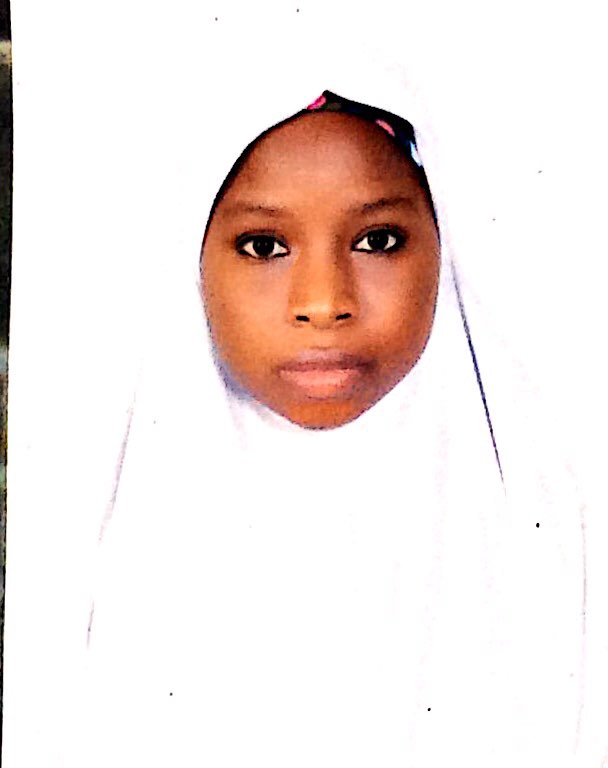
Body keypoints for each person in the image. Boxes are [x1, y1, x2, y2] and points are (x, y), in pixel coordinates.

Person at [66, 44, 596, 762]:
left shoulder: (547, 522)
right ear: (192, 258)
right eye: (263, 246)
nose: (323, 302)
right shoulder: (94, 535)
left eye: (378, 240)